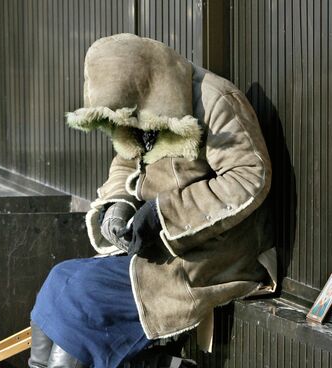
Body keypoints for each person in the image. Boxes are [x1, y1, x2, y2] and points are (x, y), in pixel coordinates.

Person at [28, 33, 278, 368]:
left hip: (214, 253)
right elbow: (126, 160)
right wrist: (118, 205)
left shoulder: (216, 100)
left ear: (144, 84)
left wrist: (164, 213)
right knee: (61, 279)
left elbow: (249, 177)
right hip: (158, 247)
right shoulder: (143, 107)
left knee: (83, 293)